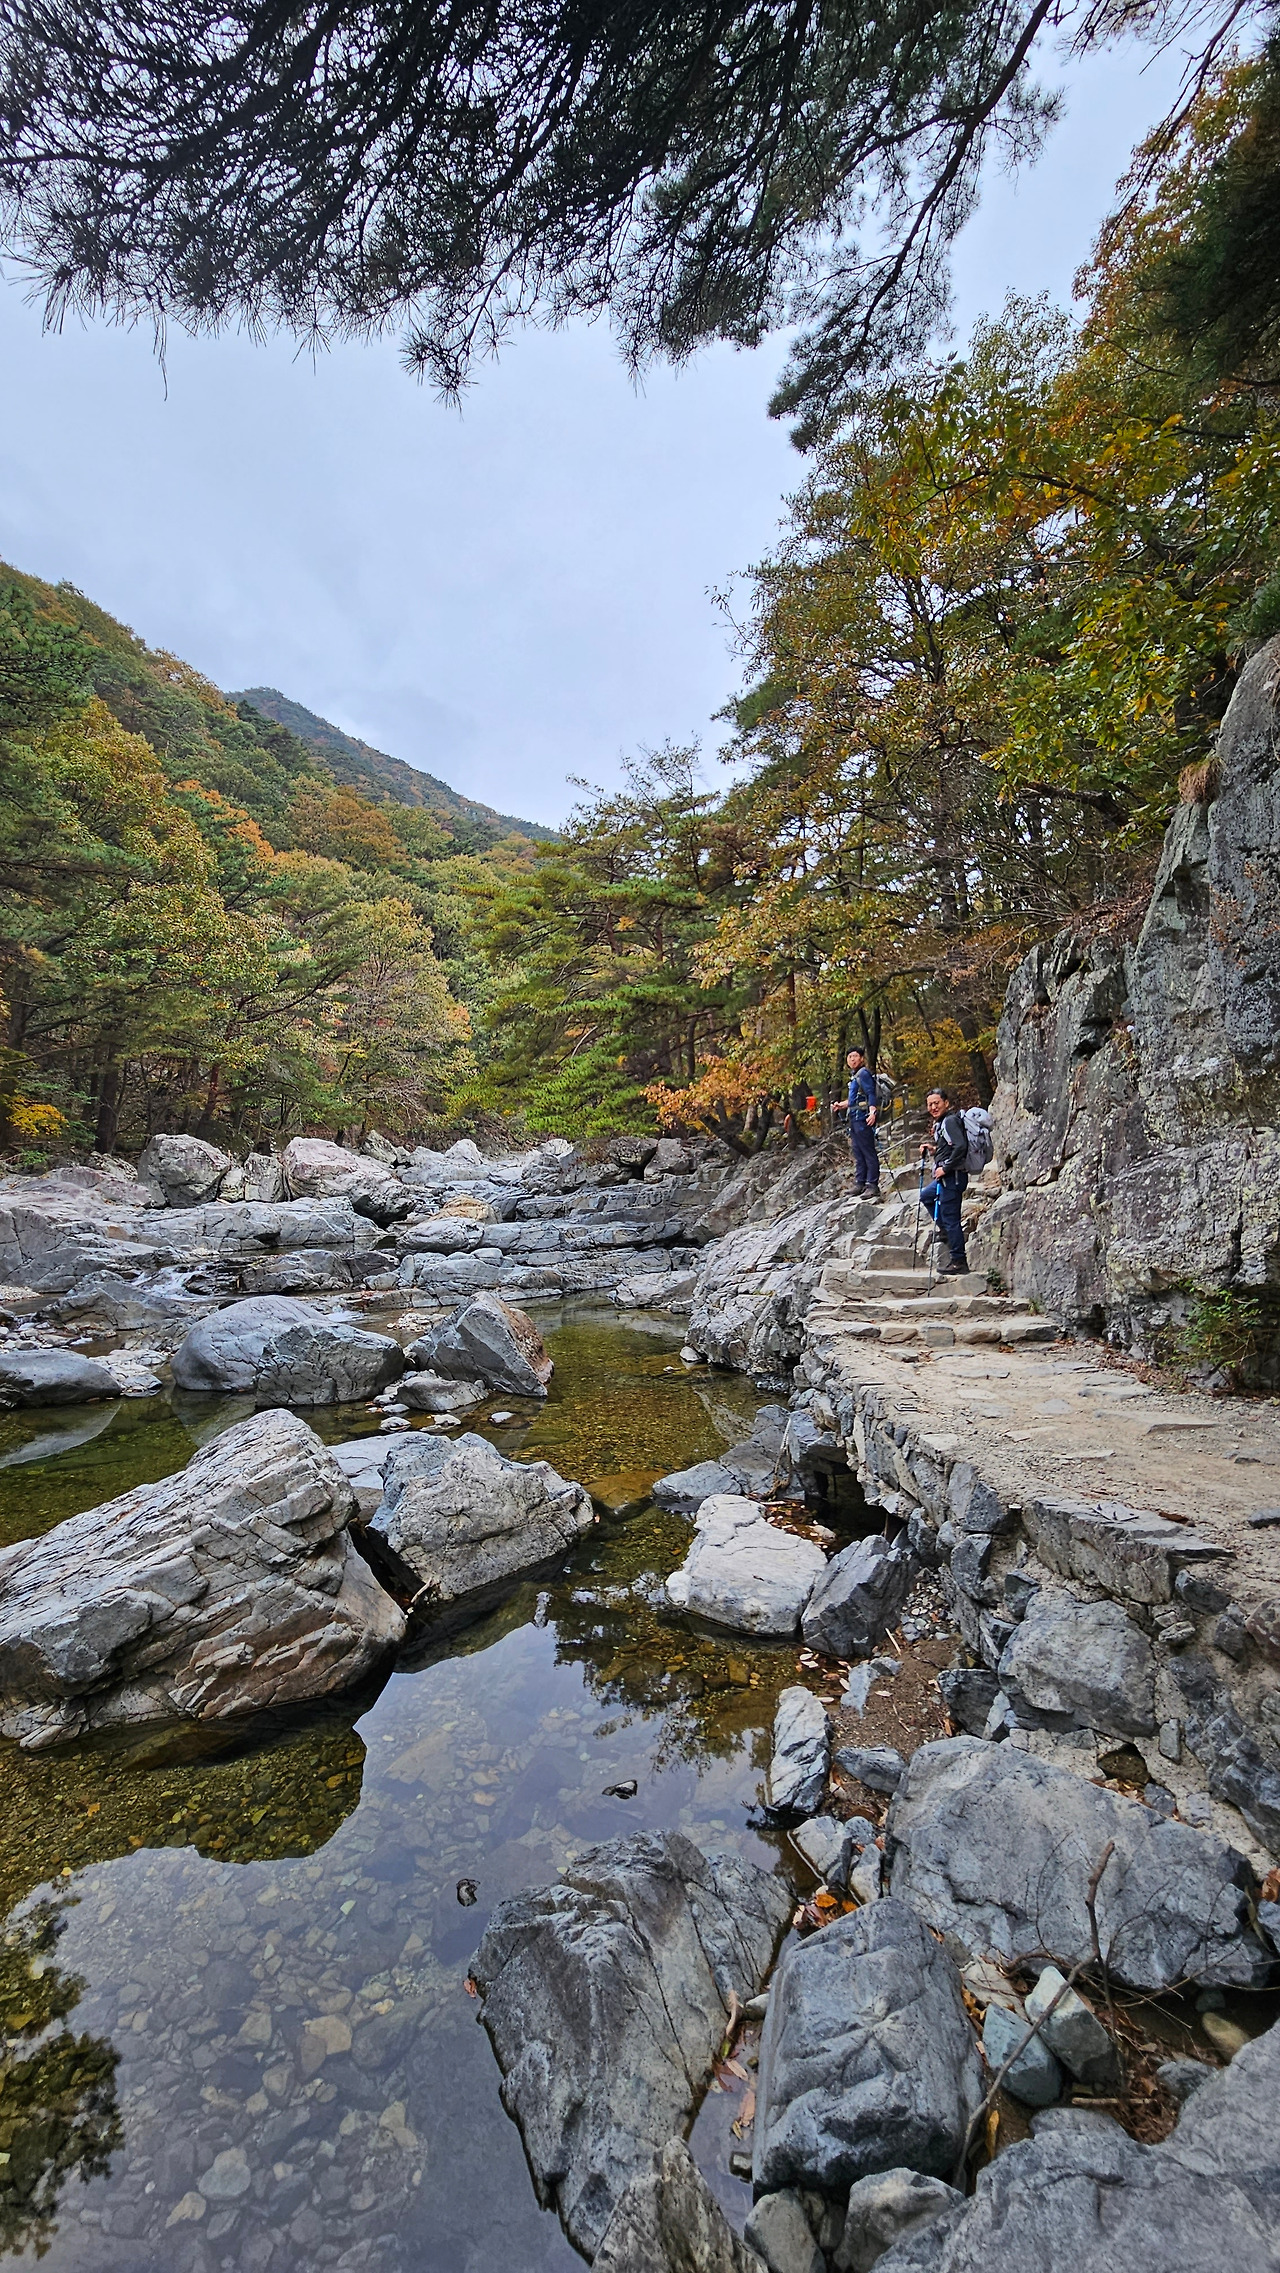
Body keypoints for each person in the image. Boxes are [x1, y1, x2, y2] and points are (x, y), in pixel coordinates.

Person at [919, 1087, 969, 1275]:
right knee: (926, 1196)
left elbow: (961, 1147)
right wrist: (933, 1149)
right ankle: (945, 1231)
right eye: (930, 1104)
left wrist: (945, 1168)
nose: (933, 1107)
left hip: (952, 1177)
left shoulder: (949, 1121)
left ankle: (958, 1261)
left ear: (946, 1103)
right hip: (948, 1177)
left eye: (936, 1103)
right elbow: (950, 1147)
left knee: (951, 1219)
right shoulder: (942, 1123)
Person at [831, 1047, 881, 1197]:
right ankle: (860, 1183)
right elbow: (854, 1100)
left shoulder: (864, 1073)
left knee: (868, 1151)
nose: (852, 1059)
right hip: (854, 1118)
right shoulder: (854, 1076)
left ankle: (872, 1184)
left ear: (861, 1058)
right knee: (858, 1151)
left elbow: (871, 1094)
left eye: (855, 1056)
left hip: (863, 1118)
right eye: (850, 1057)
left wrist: (872, 1112)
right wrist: (841, 1105)